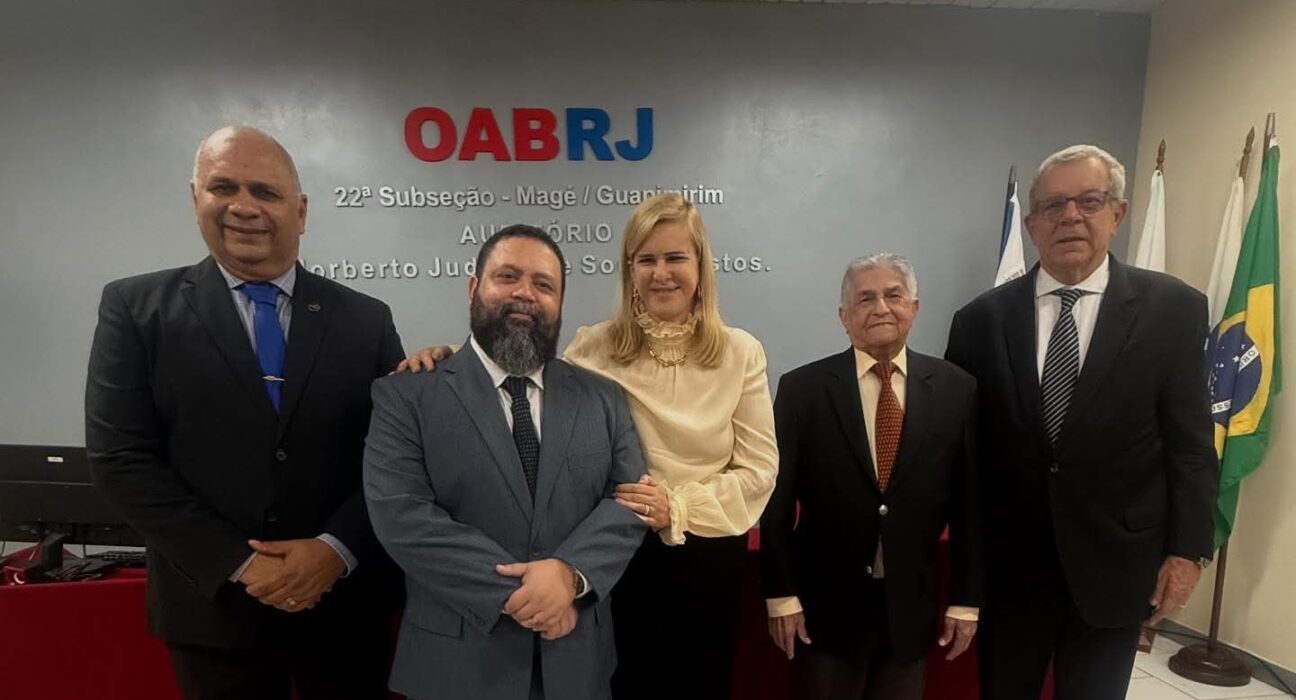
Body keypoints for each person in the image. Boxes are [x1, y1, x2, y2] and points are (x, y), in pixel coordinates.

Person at [401, 193, 779, 700]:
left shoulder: (741, 351)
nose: (661, 272)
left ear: (701, 265)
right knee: (616, 684)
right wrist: (451, 357)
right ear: (629, 270)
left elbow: (758, 470)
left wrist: (678, 507)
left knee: (698, 683)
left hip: (705, 554)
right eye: (646, 259)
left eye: (675, 257)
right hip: (609, 555)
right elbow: (520, 372)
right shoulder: (593, 346)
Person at [86, 125, 404, 700]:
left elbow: (396, 457)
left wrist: (335, 550)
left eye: (266, 191)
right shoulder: (135, 309)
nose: (243, 206)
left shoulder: (367, 320)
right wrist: (238, 563)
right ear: (195, 199)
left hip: (345, 611)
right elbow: (121, 459)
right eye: (223, 187)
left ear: (300, 211)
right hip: (212, 613)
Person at [944, 144, 1217, 700]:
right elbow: (965, 456)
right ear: (1030, 224)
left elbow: (1190, 444)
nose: (1071, 216)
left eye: (1089, 201)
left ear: (1117, 214)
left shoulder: (1175, 309)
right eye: (1053, 206)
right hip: (1013, 570)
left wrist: (1187, 553)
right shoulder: (979, 320)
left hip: (1117, 566)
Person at [363, 225, 648, 700]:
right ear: (474, 288)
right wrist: (524, 594)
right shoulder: (405, 395)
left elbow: (630, 500)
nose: (525, 294)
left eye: (544, 284)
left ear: (560, 302)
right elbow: (402, 515)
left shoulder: (604, 398)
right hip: (457, 667)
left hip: (577, 660)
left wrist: (569, 576)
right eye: (508, 276)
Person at [761, 254, 981, 700]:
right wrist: (781, 595)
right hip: (826, 610)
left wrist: (965, 599)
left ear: (914, 307)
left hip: (911, 610)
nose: (881, 307)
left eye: (893, 294)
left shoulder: (958, 389)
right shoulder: (802, 390)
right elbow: (776, 504)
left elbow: (970, 506)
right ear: (845, 317)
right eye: (865, 298)